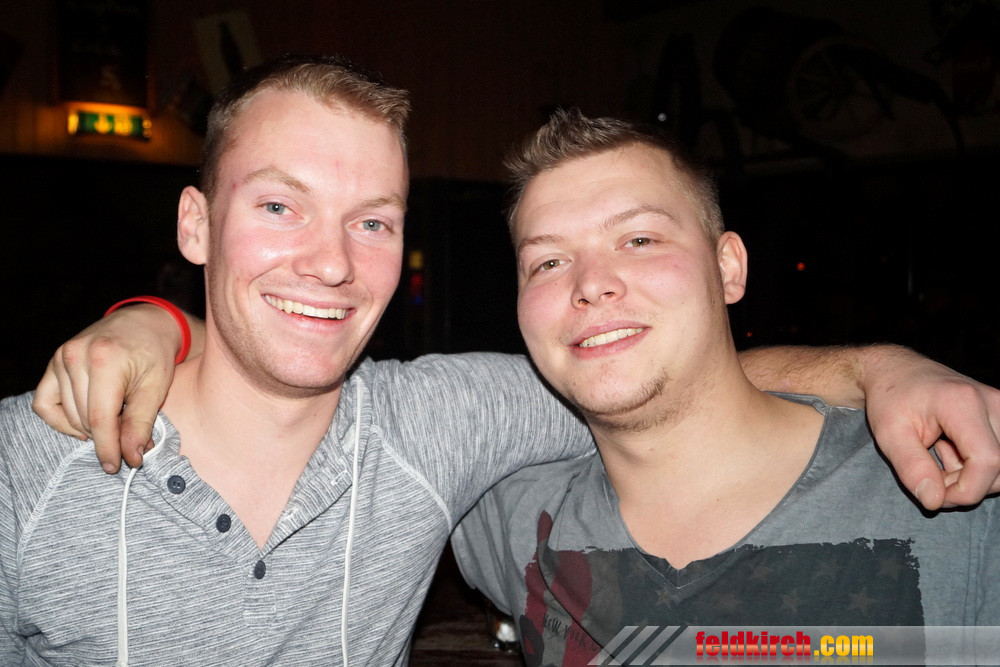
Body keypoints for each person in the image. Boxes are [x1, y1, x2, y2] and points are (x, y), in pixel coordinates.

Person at [16, 55, 1000, 663]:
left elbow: (667, 376)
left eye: (371, 221)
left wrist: (878, 366)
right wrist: (154, 320)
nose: (328, 261)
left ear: (729, 264)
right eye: (278, 206)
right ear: (195, 224)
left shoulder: (956, 494)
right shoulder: (24, 463)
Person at [450, 110, 1000, 665]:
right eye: (548, 261)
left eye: (638, 239)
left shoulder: (956, 486)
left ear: (728, 267)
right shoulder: (510, 513)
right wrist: (868, 368)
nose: (590, 284)